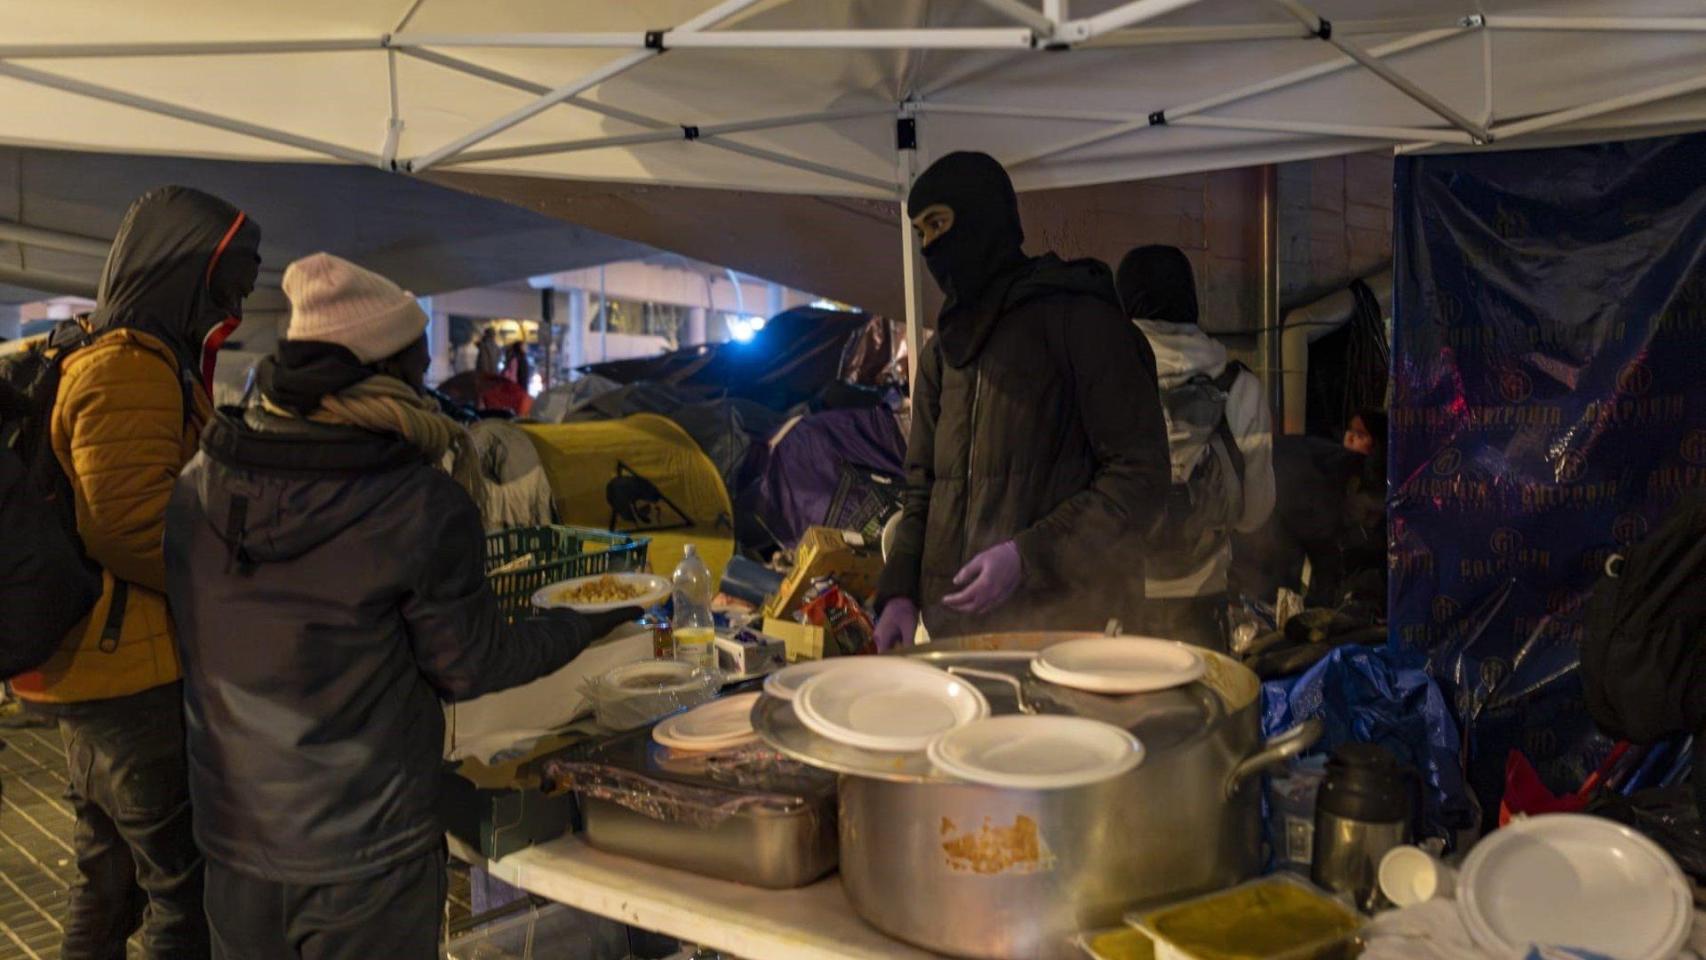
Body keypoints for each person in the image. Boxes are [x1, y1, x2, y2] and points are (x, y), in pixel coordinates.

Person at [164, 253, 636, 960]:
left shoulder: (200, 483)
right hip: (366, 851)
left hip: (235, 839)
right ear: (383, 370)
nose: (428, 384)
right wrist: (591, 617)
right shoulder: (417, 502)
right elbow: (471, 665)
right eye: (418, 365)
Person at [10, 186, 261, 959]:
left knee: (109, 883)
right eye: (228, 285)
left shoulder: (106, 350)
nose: (236, 306)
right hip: (132, 675)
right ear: (184, 271)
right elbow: (125, 527)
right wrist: (225, 584)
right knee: (181, 898)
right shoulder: (131, 364)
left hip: (99, 667)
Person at [873, 152, 1171, 648]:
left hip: (1063, 632)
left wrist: (1027, 557)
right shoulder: (944, 353)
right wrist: (900, 591)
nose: (929, 247)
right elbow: (922, 488)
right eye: (921, 232)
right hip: (954, 635)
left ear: (983, 217)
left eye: (939, 225)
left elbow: (1139, 477)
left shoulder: (1080, 322)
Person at [1117, 245, 1275, 651]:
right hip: (1204, 596)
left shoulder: (1105, 381)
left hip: (1122, 596)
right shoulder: (1240, 387)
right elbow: (1255, 514)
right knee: (1205, 690)